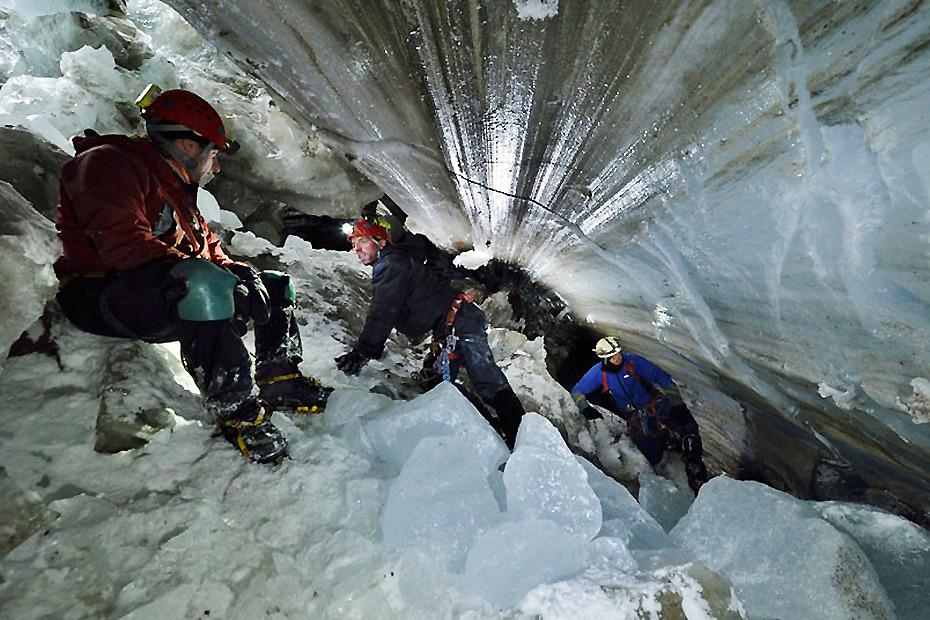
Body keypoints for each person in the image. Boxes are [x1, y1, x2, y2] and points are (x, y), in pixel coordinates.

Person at [53, 84, 331, 464]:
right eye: (213, 154)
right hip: (98, 294)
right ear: (187, 145)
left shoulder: (177, 192)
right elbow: (122, 244)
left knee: (273, 283)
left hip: (152, 288)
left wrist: (239, 273)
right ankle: (237, 412)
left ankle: (279, 377)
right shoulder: (108, 162)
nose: (215, 166)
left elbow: (208, 250)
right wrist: (213, 275)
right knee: (201, 281)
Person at [334, 217, 526, 448]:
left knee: (486, 380)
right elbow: (421, 245)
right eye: (354, 244)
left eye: (363, 242)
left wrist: (362, 352)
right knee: (439, 384)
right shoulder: (402, 258)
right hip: (450, 327)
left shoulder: (391, 265)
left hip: (460, 321)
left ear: (381, 242)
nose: (357, 249)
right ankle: (493, 432)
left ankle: (521, 437)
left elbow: (383, 311)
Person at [572, 336, 708, 493]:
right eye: (613, 357)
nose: (618, 358)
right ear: (604, 359)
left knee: (687, 427)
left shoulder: (633, 361)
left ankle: (696, 472)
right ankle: (665, 449)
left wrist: (678, 404)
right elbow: (577, 391)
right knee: (653, 455)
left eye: (618, 354)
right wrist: (585, 408)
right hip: (636, 416)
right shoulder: (599, 373)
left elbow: (662, 378)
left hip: (657, 404)